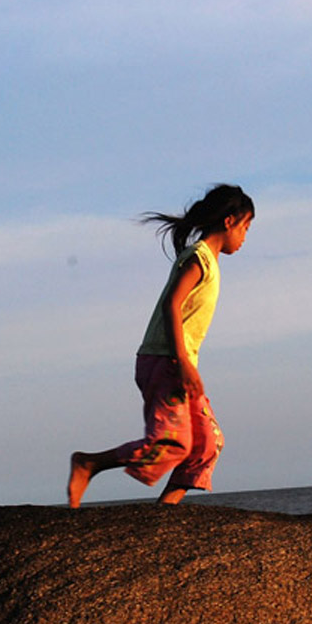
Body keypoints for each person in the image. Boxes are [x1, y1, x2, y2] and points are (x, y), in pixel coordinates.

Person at [67, 184, 255, 508]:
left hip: (179, 362)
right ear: (229, 222)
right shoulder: (198, 258)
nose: (245, 237)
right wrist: (181, 361)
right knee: (172, 443)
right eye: (246, 227)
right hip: (166, 360)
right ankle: (89, 463)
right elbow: (172, 304)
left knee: (208, 443)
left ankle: (164, 511)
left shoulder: (208, 260)